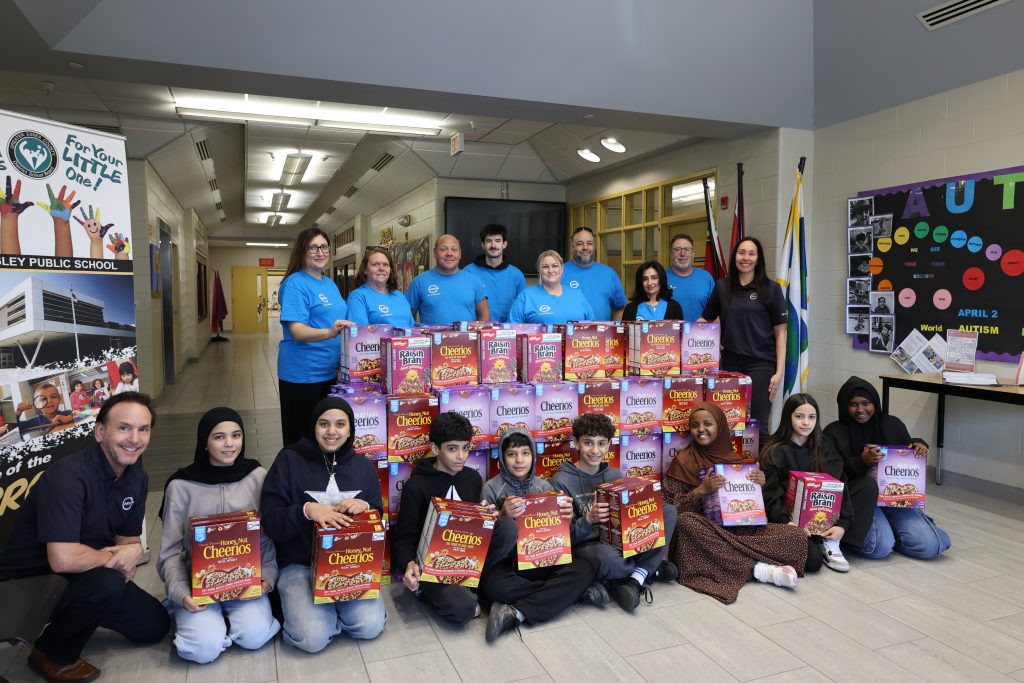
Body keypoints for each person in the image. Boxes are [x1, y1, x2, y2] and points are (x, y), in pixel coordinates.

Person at [0, 392, 170, 682]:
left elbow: (127, 539)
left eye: (144, 429)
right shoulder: (69, 477)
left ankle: (79, 613)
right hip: (27, 581)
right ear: (100, 431)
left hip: (83, 572)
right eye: (124, 427)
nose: (135, 438)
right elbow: (63, 559)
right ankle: (51, 653)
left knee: (153, 625)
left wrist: (129, 550)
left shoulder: (136, 477)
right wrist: (116, 557)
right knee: (108, 582)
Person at [260, 396, 387, 652]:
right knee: (312, 639)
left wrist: (367, 508)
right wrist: (305, 510)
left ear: (350, 428)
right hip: (299, 564)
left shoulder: (363, 465)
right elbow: (271, 522)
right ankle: (321, 615)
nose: (332, 431)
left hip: (350, 564)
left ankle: (332, 610)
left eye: (340, 424)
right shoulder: (288, 460)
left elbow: (378, 517)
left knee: (369, 626)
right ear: (313, 426)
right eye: (324, 424)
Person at [158, 408, 280, 663]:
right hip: (197, 584)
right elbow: (170, 552)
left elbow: (267, 538)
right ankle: (202, 622)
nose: (229, 444)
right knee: (203, 650)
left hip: (245, 582)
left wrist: (267, 578)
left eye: (236, 435)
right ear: (204, 442)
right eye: (219, 437)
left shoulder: (257, 476)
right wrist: (181, 593)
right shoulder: (181, 486)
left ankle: (226, 622)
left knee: (255, 636)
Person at [662, 403, 811, 603]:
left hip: (737, 531)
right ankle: (758, 569)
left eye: (708, 424)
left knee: (797, 536)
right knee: (686, 523)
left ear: (721, 426)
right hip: (706, 530)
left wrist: (759, 485)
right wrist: (700, 491)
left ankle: (734, 560)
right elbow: (670, 509)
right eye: (695, 425)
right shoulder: (683, 461)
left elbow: (751, 509)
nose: (701, 430)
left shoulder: (735, 461)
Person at [480, 429, 606, 642]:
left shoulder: (545, 487)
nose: (519, 460)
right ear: (502, 457)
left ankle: (516, 613)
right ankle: (571, 594)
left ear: (533, 456)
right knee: (493, 586)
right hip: (510, 565)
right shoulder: (491, 488)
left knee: (585, 568)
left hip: (544, 560)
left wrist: (568, 521)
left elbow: (566, 541)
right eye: (512, 454)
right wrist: (501, 515)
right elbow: (485, 546)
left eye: (525, 453)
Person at [391, 412, 517, 625]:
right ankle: (450, 592)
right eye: (452, 449)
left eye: (465, 448)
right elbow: (403, 538)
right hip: (433, 566)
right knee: (464, 610)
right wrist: (408, 564)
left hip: (468, 556)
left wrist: (490, 517)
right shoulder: (416, 485)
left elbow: (479, 529)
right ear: (435, 449)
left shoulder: (472, 478)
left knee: (507, 528)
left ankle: (471, 584)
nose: (461, 456)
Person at [551, 413, 678, 612]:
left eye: (601, 443)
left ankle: (633, 579)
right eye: (588, 443)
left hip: (621, 541)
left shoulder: (615, 475)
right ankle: (645, 571)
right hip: (589, 547)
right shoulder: (561, 481)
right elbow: (563, 541)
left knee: (668, 512)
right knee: (606, 557)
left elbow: (632, 521)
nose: (595, 450)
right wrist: (588, 519)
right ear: (576, 443)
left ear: (609, 445)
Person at [823, 377, 951, 560]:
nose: (860, 410)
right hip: (859, 500)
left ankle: (896, 531)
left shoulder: (891, 424)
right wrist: (861, 461)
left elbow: (907, 448)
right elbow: (832, 477)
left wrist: (918, 445)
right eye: (853, 404)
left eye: (866, 403)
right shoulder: (833, 432)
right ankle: (887, 534)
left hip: (893, 499)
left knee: (931, 546)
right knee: (878, 548)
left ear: (875, 402)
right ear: (844, 406)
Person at [759, 394, 879, 573]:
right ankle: (817, 546)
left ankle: (832, 541)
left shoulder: (824, 446)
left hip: (826, 513)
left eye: (811, 417)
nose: (806, 422)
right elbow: (770, 495)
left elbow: (840, 484)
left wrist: (842, 524)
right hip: (792, 520)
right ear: (788, 417)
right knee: (813, 563)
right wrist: (786, 522)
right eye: (799, 416)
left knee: (867, 485)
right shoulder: (774, 450)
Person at [700, 237, 787, 442]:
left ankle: (762, 473)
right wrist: (678, 332)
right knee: (726, 423)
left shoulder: (771, 289)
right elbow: (705, 320)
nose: (745, 258)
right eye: (741, 252)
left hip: (761, 365)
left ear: (758, 259)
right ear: (735, 257)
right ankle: (730, 471)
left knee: (757, 426)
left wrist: (779, 371)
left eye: (751, 253)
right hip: (729, 364)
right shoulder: (722, 287)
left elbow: (780, 333)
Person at [277, 227, 352, 447]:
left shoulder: (329, 283)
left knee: (326, 439)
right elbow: (297, 331)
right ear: (302, 251)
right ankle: (296, 481)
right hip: (303, 376)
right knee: (302, 439)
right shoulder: (295, 284)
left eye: (324, 247)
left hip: (330, 374)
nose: (320, 252)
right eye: (313, 248)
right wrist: (329, 332)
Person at [406, 235, 489, 324]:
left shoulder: (474, 281)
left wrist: (476, 335)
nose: (449, 254)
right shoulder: (419, 282)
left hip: (466, 337)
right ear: (435, 253)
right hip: (432, 338)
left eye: (454, 249)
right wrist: (417, 334)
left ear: (460, 253)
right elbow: (406, 316)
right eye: (443, 249)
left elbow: (484, 314)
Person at [508, 250, 594, 324]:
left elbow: (593, 327)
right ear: (539, 270)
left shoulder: (578, 295)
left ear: (562, 269)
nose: (550, 270)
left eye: (555, 266)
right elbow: (511, 330)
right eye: (545, 267)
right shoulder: (526, 296)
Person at [561, 227, 627, 321]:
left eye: (589, 243)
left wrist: (611, 332)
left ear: (594, 246)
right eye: (580, 244)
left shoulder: (609, 274)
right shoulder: (559, 273)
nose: (585, 247)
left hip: (602, 335)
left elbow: (620, 308)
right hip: (568, 334)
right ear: (572, 247)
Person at [464, 224, 526, 323]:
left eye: (497, 241)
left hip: (508, 332)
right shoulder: (468, 272)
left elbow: (522, 308)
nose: (493, 246)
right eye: (489, 241)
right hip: (477, 331)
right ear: (483, 245)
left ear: (504, 244)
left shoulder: (516, 275)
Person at [345, 246, 415, 327]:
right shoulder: (358, 297)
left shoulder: (400, 296)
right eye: (375, 264)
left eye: (385, 265)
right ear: (365, 270)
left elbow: (412, 327)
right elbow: (360, 336)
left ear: (390, 270)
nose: (382, 268)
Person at [664, 234, 714, 321]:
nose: (682, 254)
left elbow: (716, 310)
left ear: (693, 253)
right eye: (677, 249)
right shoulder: (661, 278)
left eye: (687, 249)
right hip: (669, 334)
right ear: (671, 254)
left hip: (700, 333)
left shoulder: (706, 277)